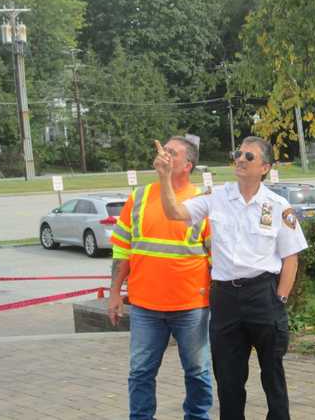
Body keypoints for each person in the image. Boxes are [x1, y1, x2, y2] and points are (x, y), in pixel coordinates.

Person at [154, 135, 307, 420]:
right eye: (237, 153)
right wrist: (164, 177)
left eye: (249, 156)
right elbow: (173, 212)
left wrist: (280, 299)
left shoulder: (277, 206)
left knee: (273, 375)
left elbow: (290, 258)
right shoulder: (217, 198)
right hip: (225, 298)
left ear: (264, 167)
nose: (240, 159)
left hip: (263, 295)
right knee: (228, 379)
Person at [108, 136, 213, 420]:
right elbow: (121, 248)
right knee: (140, 371)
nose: (163, 155)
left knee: (198, 371)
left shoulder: (203, 203)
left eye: (172, 153)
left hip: (191, 306)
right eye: (162, 150)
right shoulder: (139, 197)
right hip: (145, 306)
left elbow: (216, 257)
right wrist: (115, 293)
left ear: (187, 165)